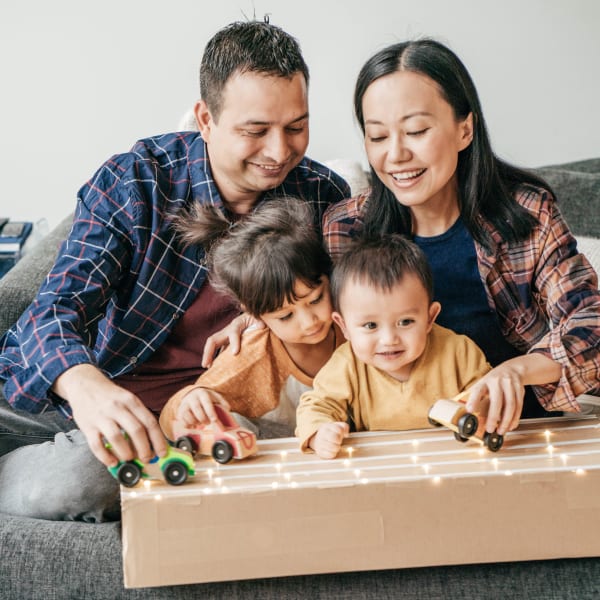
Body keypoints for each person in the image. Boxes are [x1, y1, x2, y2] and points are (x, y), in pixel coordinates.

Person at [0, 19, 349, 521]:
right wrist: (86, 385)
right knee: (80, 474)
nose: (279, 152)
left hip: (228, 416)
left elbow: (359, 318)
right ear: (205, 119)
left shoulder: (321, 197)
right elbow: (53, 311)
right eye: (255, 131)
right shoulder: (137, 181)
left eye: (296, 127)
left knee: (322, 445)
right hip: (114, 404)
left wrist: (271, 317)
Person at [322, 39, 600, 441]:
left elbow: (590, 321)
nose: (396, 154)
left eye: (416, 130)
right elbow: (303, 314)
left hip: (529, 430)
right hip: (402, 438)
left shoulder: (527, 214)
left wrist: (519, 370)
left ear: (464, 129)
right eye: (378, 137)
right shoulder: (348, 229)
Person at [159, 197, 344, 440]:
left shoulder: (353, 324)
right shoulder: (252, 353)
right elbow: (170, 421)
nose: (310, 321)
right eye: (286, 315)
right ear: (255, 314)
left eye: (316, 299)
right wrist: (189, 400)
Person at [295, 234, 492, 459]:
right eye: (370, 325)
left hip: (454, 461)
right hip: (378, 467)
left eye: (405, 322)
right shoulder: (346, 364)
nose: (389, 339)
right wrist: (320, 433)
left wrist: (483, 410)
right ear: (344, 327)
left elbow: (487, 396)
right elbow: (316, 405)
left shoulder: (459, 353)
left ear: (430, 318)